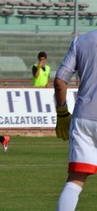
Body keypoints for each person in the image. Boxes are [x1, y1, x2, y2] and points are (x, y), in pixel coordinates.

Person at [54, 30, 97, 211]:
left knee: (75, 181)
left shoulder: (81, 40)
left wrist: (62, 113)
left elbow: (59, 81)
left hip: (83, 117)